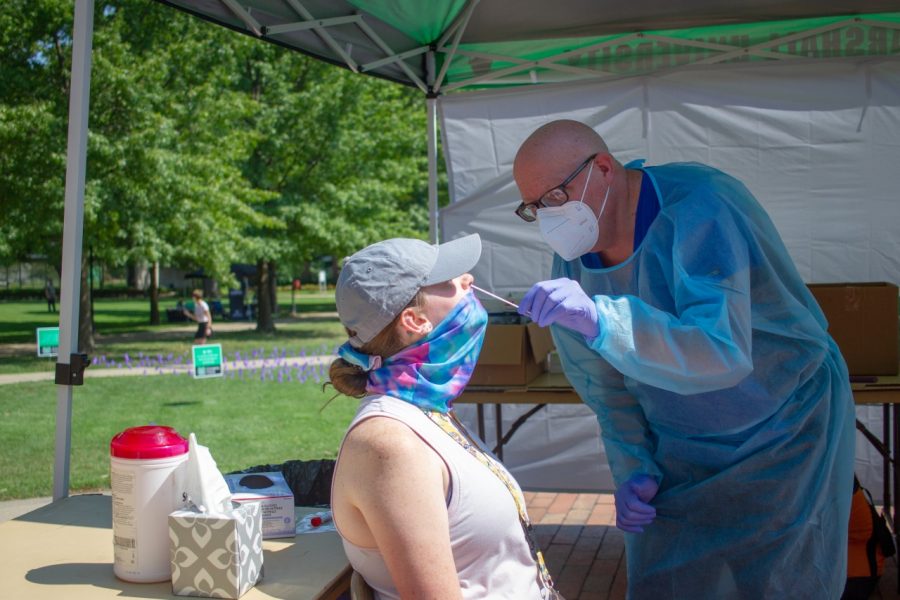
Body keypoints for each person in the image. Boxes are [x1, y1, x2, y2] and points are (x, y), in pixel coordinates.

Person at [511, 119, 855, 599]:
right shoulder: (575, 257)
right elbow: (605, 385)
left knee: (781, 583)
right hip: (682, 450)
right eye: (533, 207)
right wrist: (632, 465)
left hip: (783, 431)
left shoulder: (702, 206)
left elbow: (721, 351)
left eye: (555, 197)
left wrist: (604, 320)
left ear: (603, 169)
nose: (549, 217)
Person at [329, 234, 560, 600]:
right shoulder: (390, 445)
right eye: (451, 280)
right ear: (414, 320)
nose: (468, 279)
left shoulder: (422, 407)